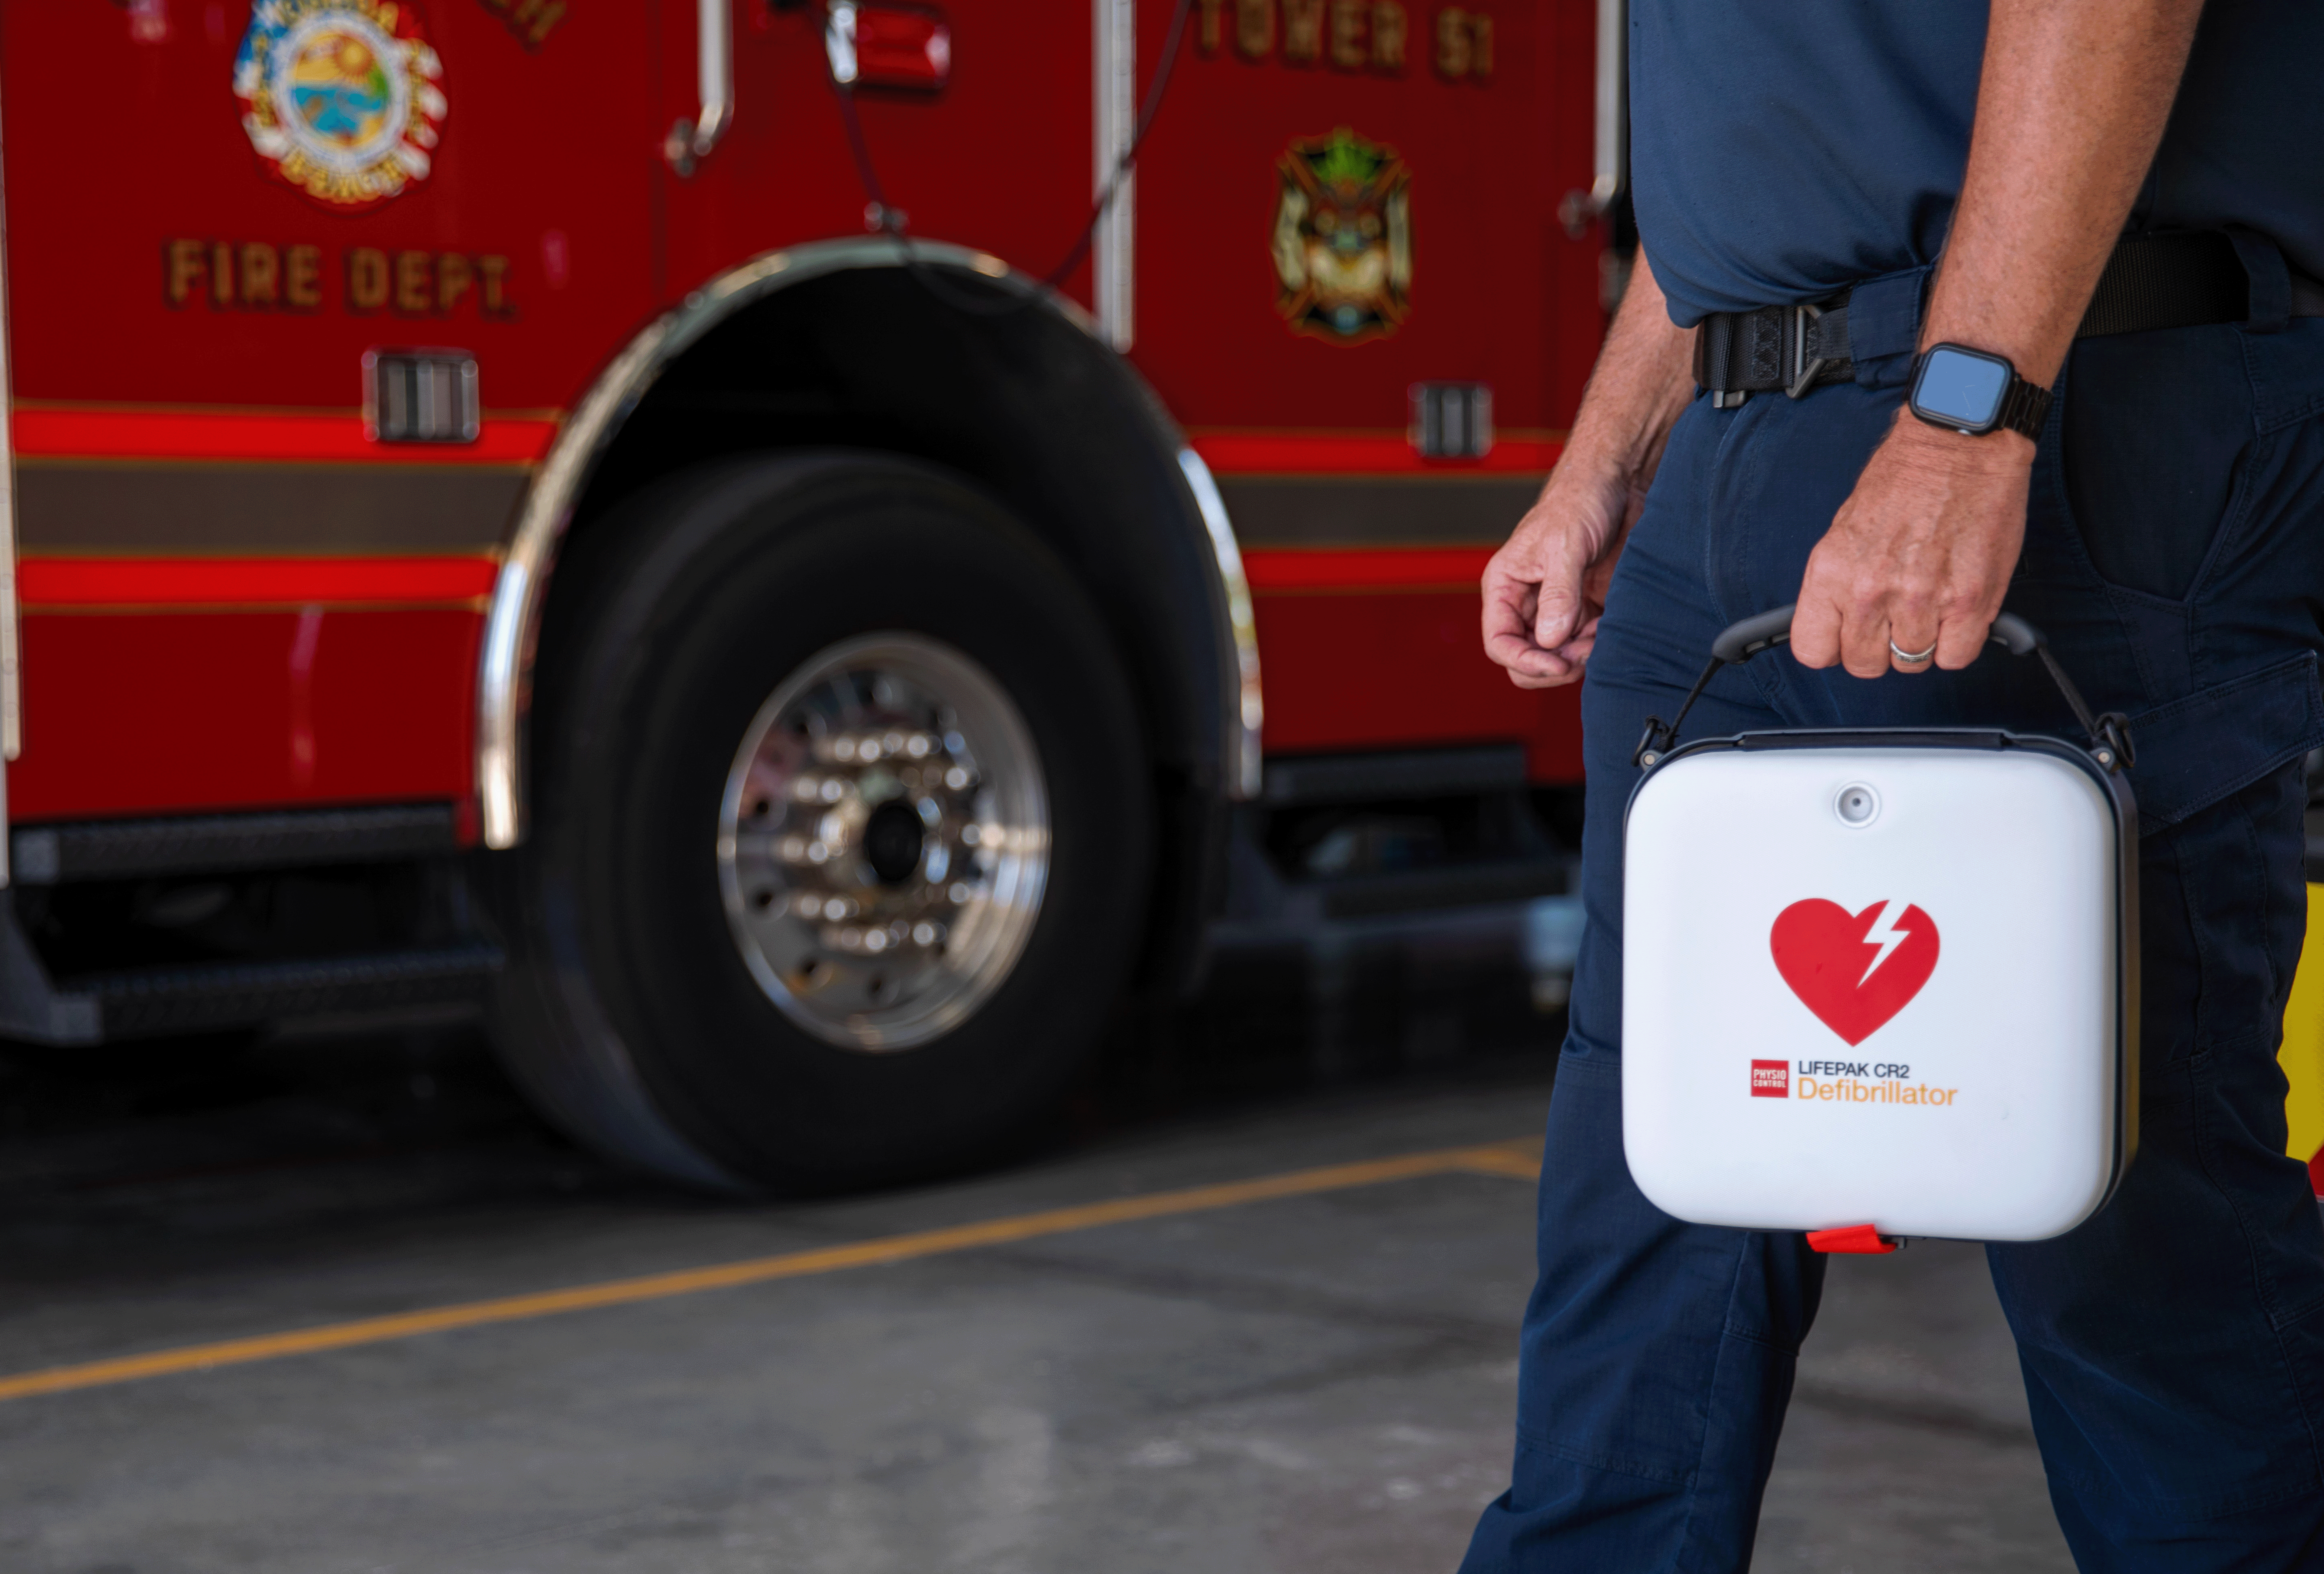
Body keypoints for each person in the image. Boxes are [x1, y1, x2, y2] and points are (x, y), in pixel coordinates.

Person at [1465, 0, 2324, 1568]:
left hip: (2060, 398)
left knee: (2128, 1222)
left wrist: (1969, 416)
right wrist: (1608, 458)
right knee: (1654, 1180)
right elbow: (1776, 129)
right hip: (1745, 444)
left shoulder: (1986, 413)